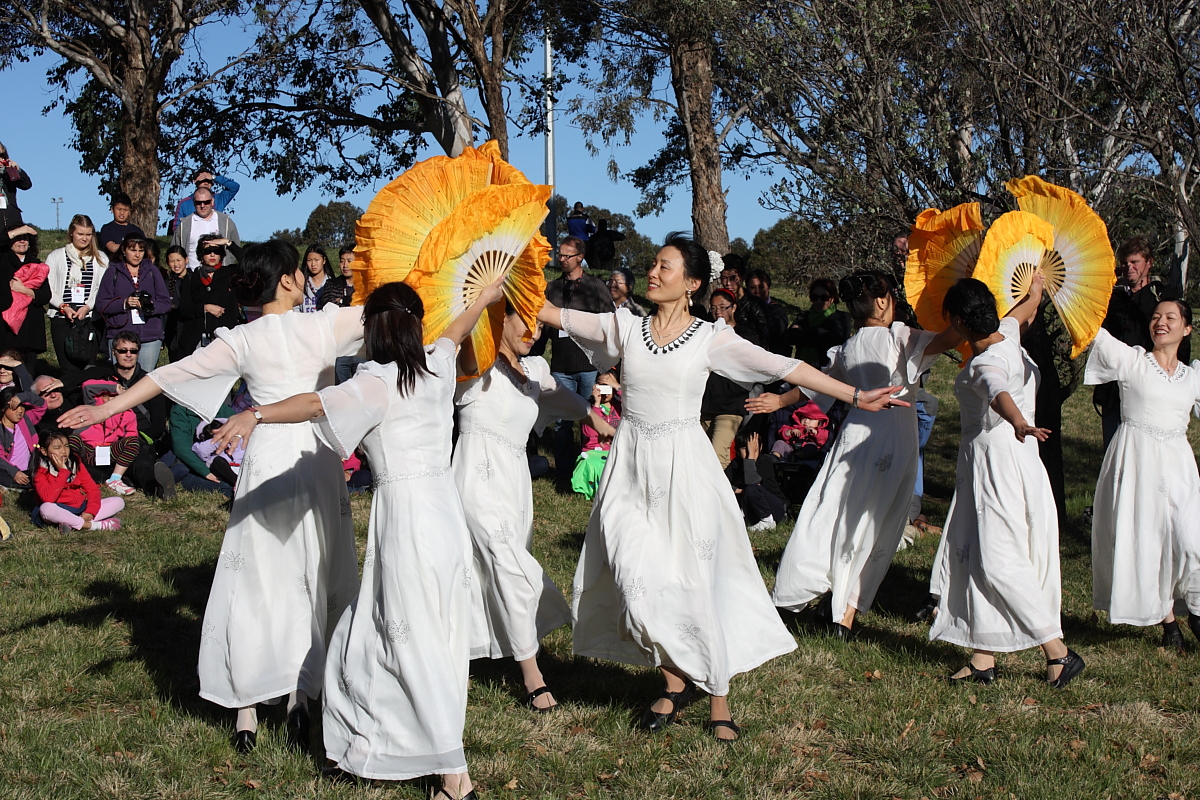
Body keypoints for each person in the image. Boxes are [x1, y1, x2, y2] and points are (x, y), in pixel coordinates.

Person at [537, 232, 906, 741]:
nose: (653, 272)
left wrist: (855, 395)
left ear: (691, 283)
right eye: (653, 264)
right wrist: (499, 282)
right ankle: (675, 679)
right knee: (632, 578)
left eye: (665, 266)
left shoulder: (710, 337)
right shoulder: (624, 326)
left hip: (685, 470)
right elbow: (553, 314)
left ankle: (716, 697)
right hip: (630, 471)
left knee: (693, 583)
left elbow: (784, 366)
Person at [61, 240, 365, 754]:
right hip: (314, 460)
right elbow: (399, 312)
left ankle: (249, 705)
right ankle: (301, 693)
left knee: (257, 578)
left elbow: (168, 374)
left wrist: (107, 406)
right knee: (312, 572)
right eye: (297, 271)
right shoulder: (324, 325)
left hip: (268, 458)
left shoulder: (243, 338)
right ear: (288, 279)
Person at [209, 279, 504, 798]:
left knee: (405, 642)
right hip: (444, 517)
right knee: (412, 635)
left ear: (374, 330)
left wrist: (255, 413)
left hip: (406, 522)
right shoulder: (437, 364)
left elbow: (312, 404)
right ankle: (377, 748)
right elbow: (457, 330)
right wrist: (483, 296)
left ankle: (454, 777)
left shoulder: (375, 383)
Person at [763, 271, 961, 636]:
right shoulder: (899, 337)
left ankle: (816, 589)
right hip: (894, 437)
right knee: (877, 521)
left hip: (854, 438)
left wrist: (779, 400)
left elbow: (816, 386)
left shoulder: (848, 346)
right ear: (883, 301)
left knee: (834, 511)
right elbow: (950, 338)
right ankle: (845, 612)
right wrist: (966, 304)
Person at [927, 276, 1084, 688]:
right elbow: (1022, 313)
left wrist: (1017, 421)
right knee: (978, 554)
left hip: (996, 466)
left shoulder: (986, 362)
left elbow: (995, 388)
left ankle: (1058, 652)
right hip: (1013, 461)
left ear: (958, 321)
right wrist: (1035, 291)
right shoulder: (1008, 336)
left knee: (998, 559)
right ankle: (983, 657)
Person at [454, 303, 592, 712]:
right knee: (508, 564)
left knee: (487, 568)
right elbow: (465, 355)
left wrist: (599, 421)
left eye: (537, 324)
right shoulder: (475, 365)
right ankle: (532, 674)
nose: (534, 331)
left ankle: (465, 649)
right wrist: (483, 304)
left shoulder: (535, 370)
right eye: (524, 322)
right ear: (501, 319)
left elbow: (566, 400)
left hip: (514, 485)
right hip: (474, 478)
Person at [1085, 298, 1200, 649]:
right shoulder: (1133, 361)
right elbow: (1091, 332)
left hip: (1179, 466)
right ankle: (1169, 624)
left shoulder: (1192, 376)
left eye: (1170, 317)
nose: (1160, 322)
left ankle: (1196, 610)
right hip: (1137, 462)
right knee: (1148, 540)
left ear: (1187, 328)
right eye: (1155, 317)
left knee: (1191, 541)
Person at [1094, 236, 1187, 450]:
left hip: (1150, 388)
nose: (1129, 268)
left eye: (1135, 262)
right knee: (1114, 450)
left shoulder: (1164, 299)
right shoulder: (1111, 297)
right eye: (1125, 263)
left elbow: (1179, 343)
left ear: (1149, 262)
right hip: (1115, 387)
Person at [538, 236, 615, 480]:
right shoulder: (552, 288)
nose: (561, 259)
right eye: (559, 255)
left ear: (580, 257)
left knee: (591, 419)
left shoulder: (596, 287)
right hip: (561, 366)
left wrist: (608, 366)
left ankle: (589, 470)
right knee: (562, 422)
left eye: (567, 255)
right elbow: (544, 325)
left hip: (589, 366)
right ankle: (564, 472)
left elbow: (610, 323)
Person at [69, 330, 176, 498]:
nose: (128, 355)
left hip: (136, 438)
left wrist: (141, 439)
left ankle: (157, 489)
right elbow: (83, 386)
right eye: (123, 350)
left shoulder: (149, 382)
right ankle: (116, 479)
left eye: (133, 351)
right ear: (113, 352)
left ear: (138, 353)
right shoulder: (102, 377)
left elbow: (158, 423)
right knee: (84, 458)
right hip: (100, 439)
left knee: (141, 462)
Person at [95, 234, 172, 371]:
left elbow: (165, 303)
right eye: (133, 250)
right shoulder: (113, 271)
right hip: (120, 335)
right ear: (124, 250)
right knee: (121, 378)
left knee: (145, 378)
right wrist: (124, 303)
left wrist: (149, 306)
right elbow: (101, 304)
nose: (137, 255)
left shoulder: (152, 271)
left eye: (141, 250)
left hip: (149, 336)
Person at [700, 288, 759, 468]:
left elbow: (753, 366)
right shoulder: (706, 332)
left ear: (733, 308)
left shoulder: (746, 335)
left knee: (718, 453)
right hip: (706, 402)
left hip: (731, 404)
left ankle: (721, 486)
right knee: (699, 453)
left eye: (722, 307)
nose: (718, 312)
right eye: (713, 308)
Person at [46, 215, 109, 374]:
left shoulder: (101, 258)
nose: (84, 238)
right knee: (68, 369)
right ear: (71, 233)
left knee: (89, 367)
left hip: (89, 319)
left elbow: (102, 289)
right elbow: (49, 287)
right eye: (80, 234)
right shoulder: (56, 256)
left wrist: (87, 307)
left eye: (88, 234)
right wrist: (63, 306)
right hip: (62, 318)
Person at [32, 429, 123, 532]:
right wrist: (63, 472)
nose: (63, 451)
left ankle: (72, 523)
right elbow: (48, 498)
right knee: (46, 508)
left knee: (118, 501)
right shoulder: (40, 471)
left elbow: (92, 489)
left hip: (80, 508)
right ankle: (93, 525)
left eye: (66, 446)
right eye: (57, 448)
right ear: (44, 451)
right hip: (57, 509)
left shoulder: (75, 463)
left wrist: (90, 512)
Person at [0, 232, 52, 370]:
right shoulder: (3, 262)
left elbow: (45, 296)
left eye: (25, 238)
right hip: (6, 328)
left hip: (30, 327)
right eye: (17, 238)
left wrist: (23, 290)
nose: (22, 241)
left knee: (28, 370)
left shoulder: (37, 265)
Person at [183, 235, 243, 351]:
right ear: (201, 255)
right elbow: (184, 308)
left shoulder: (230, 273)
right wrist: (205, 308)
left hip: (226, 338)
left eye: (216, 251)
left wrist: (228, 243)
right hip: (197, 339)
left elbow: (250, 262)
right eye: (207, 251)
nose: (212, 254)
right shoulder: (192, 277)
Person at [572, 376, 621, 500]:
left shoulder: (621, 407)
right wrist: (597, 404)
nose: (605, 393)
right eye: (602, 387)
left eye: (608, 388)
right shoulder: (588, 408)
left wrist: (618, 387)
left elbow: (634, 402)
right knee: (592, 463)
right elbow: (590, 433)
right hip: (594, 450)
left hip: (615, 448)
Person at [171, 187, 241, 271]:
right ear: (194, 203)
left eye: (206, 202)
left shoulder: (226, 222)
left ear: (212, 201)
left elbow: (235, 248)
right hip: (193, 274)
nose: (202, 205)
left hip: (220, 274)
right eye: (198, 202)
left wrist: (227, 265)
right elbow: (175, 251)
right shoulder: (184, 225)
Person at [788, 278, 853, 366]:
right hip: (803, 368)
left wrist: (803, 332)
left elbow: (837, 342)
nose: (819, 301)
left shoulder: (842, 318)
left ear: (832, 299)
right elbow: (789, 338)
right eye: (815, 297)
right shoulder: (804, 316)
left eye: (824, 297)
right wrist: (817, 331)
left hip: (828, 369)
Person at [0, 385, 44, 489]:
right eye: (15, 407)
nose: (20, 411)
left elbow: (42, 405)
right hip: (9, 471)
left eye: (22, 406)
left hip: (31, 468)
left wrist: (23, 397)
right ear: (3, 408)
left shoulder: (26, 419)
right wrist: (14, 472)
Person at [161, 245, 199, 362]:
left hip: (193, 330)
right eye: (172, 261)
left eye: (178, 260)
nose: (176, 264)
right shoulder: (166, 283)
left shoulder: (196, 279)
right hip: (174, 332)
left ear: (186, 260)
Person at [171, 169, 241, 232]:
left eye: (209, 181)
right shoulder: (184, 203)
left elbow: (235, 187)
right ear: (195, 181)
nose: (206, 183)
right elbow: (177, 228)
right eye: (203, 180)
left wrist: (214, 177)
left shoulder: (219, 198)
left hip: (215, 236)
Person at [746, 269, 790, 354]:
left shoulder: (777, 311)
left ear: (768, 288)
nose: (757, 291)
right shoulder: (742, 309)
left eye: (761, 287)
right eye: (752, 288)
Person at [0, 142, 32, 244]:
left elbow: (26, 185)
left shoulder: (9, 173)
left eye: (2, 156)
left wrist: (17, 170)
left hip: (12, 220)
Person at [98, 193, 146, 258]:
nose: (122, 213)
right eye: (119, 209)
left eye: (125, 210)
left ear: (129, 211)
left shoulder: (136, 230)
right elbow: (112, 247)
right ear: (112, 209)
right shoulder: (107, 229)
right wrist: (130, 247)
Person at [299, 245, 335, 312]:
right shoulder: (301, 283)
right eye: (309, 260)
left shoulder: (333, 284)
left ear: (324, 260)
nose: (313, 264)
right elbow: (295, 308)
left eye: (316, 260)